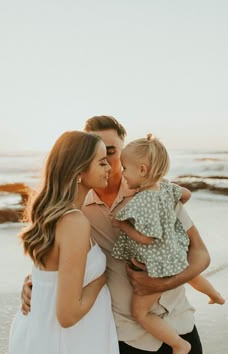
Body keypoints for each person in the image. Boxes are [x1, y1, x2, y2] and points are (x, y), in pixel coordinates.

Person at [21, 116, 211, 353]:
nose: (108, 164)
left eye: (111, 152)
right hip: (125, 336)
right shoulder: (78, 211)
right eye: (99, 155)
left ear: (124, 151)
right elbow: (57, 258)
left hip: (179, 323)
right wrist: (35, 283)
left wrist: (162, 282)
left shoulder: (157, 192)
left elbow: (201, 254)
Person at [111, 133, 225, 354]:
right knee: (190, 275)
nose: (122, 173)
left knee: (140, 312)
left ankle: (178, 344)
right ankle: (215, 295)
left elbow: (147, 238)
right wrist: (175, 200)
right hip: (173, 252)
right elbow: (187, 193)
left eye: (125, 168)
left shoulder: (141, 200)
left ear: (142, 170)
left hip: (155, 265)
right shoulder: (166, 189)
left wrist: (123, 225)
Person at [8, 131, 119, 354]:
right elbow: (67, 315)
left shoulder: (54, 214)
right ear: (80, 171)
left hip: (47, 334)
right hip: (68, 342)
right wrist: (102, 278)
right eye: (101, 162)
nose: (109, 167)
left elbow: (51, 276)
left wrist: (31, 283)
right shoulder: (73, 221)